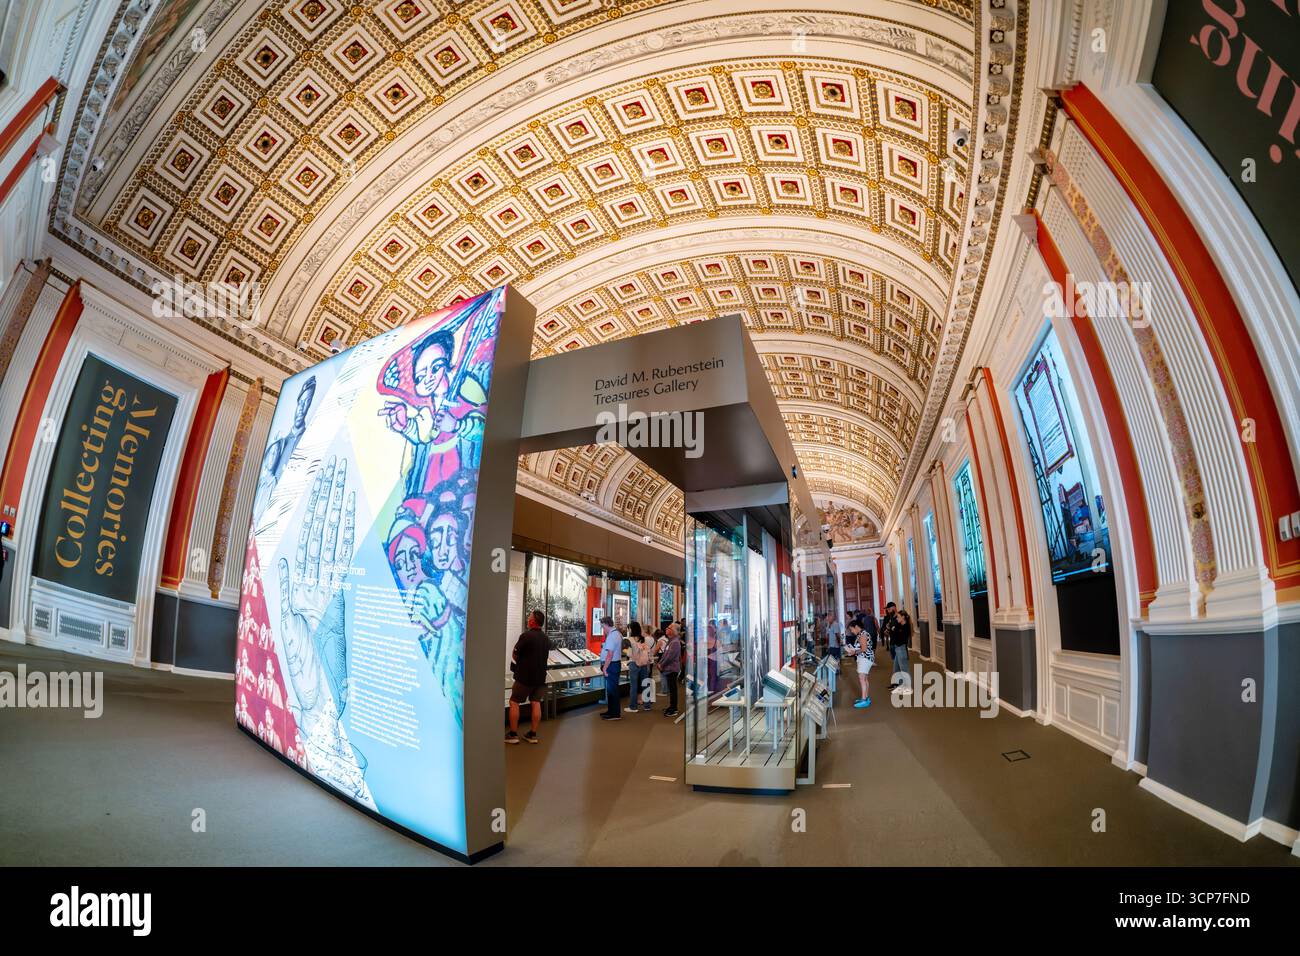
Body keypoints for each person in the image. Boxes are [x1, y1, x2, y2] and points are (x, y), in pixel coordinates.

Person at [506, 610, 550, 744]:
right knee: (536, 703)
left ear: (533, 621)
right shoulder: (545, 638)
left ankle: (513, 735)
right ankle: (532, 734)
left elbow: (515, 655)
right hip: (540, 678)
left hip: (524, 678)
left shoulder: (526, 636)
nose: (528, 618)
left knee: (514, 702)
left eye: (529, 617)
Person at [599, 615, 624, 720]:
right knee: (611, 690)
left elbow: (610, 654)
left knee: (612, 690)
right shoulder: (616, 634)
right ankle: (611, 711)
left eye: (602, 626)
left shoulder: (612, 636)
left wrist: (604, 668)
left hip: (611, 665)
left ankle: (615, 714)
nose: (602, 629)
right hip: (614, 664)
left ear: (606, 624)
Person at [845, 621, 874, 708]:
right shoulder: (861, 634)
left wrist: (854, 652)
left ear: (856, 626)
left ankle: (864, 699)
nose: (852, 631)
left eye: (852, 629)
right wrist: (854, 651)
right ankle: (865, 697)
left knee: (862, 678)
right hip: (864, 658)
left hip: (865, 658)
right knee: (864, 678)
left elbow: (864, 649)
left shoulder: (863, 634)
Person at [626, 622, 651, 712]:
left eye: (629, 628)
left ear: (632, 629)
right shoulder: (643, 639)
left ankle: (633, 707)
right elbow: (648, 651)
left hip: (634, 663)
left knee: (634, 686)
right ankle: (647, 705)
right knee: (645, 684)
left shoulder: (630, 640)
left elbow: (629, 653)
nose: (628, 630)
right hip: (644, 663)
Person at [658, 624, 682, 716]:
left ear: (674, 631)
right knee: (671, 689)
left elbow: (670, 657)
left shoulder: (675, 642)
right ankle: (672, 706)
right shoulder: (671, 641)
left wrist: (662, 664)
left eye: (669, 628)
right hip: (668, 668)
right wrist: (660, 663)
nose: (666, 629)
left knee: (673, 689)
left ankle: (673, 708)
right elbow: (665, 654)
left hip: (672, 669)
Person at [890, 609, 914, 696]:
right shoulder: (899, 625)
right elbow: (894, 633)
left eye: (898, 617)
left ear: (903, 617)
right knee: (896, 669)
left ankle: (908, 688)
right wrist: (894, 630)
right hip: (897, 649)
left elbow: (900, 638)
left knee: (904, 669)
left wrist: (894, 630)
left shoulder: (906, 627)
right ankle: (901, 686)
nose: (897, 619)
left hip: (901, 649)